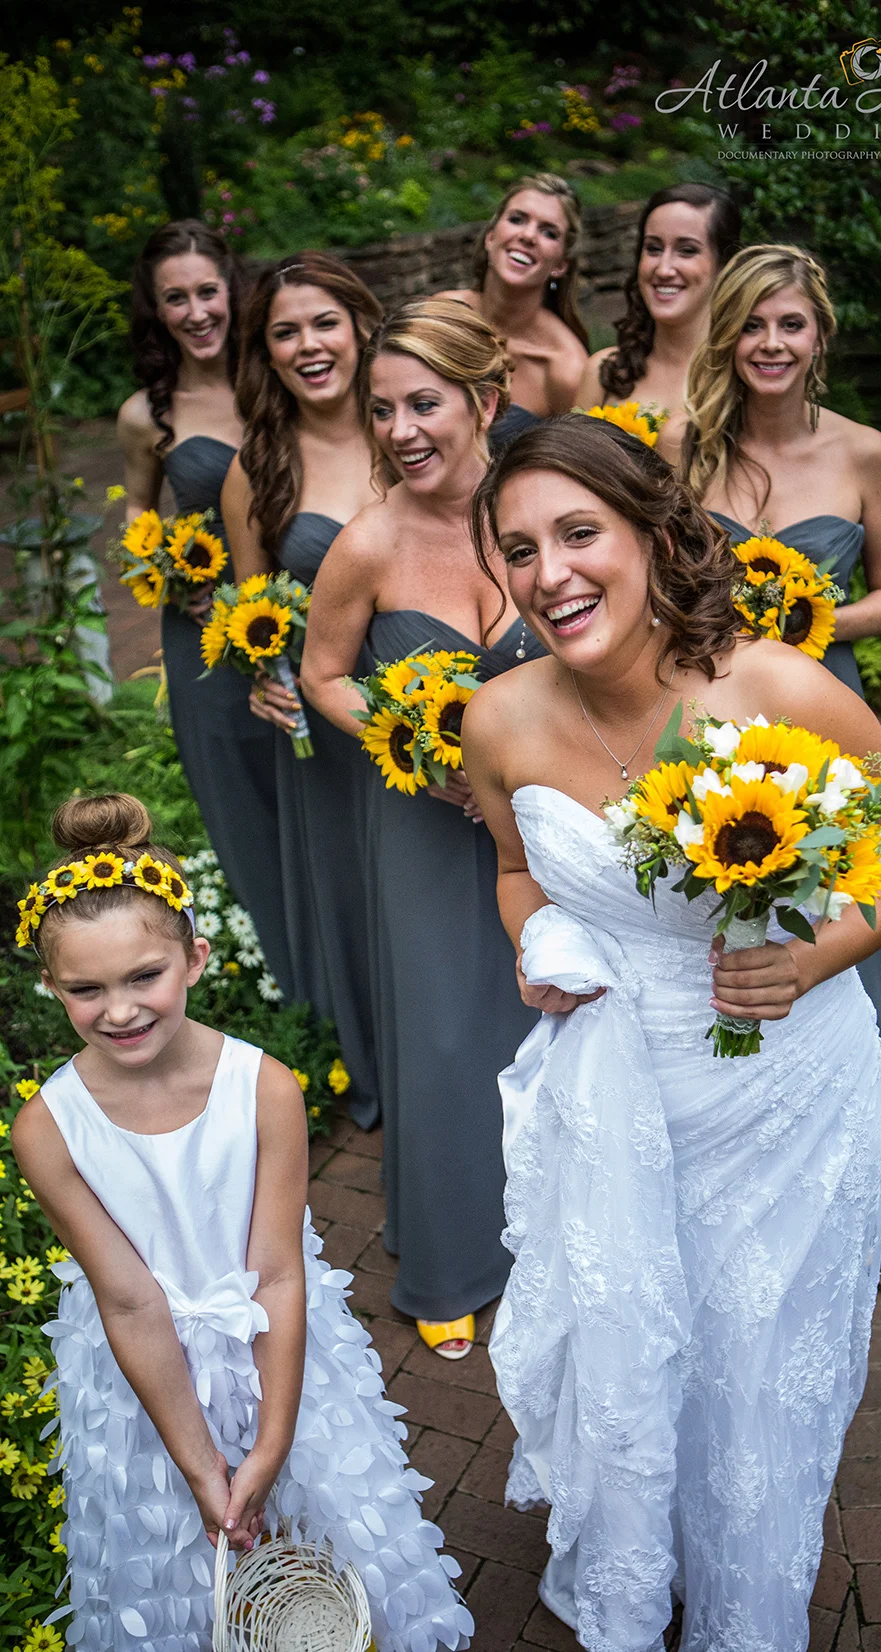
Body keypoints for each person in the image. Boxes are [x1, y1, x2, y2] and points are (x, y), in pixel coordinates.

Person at [461, 416, 881, 1652]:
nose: (550, 572)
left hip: (786, 1093)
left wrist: (808, 957)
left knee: (746, 1367)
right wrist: (536, 941)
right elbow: (516, 869)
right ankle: (639, 1555)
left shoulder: (782, 689)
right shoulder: (496, 721)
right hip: (619, 1094)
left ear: (656, 534)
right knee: (634, 1352)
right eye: (520, 549)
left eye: (579, 532)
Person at [10, 792, 474, 1652]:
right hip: (147, 1387)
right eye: (85, 990)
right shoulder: (48, 1129)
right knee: (182, 1580)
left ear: (195, 957)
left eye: (143, 976)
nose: (120, 1010)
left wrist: (271, 1442)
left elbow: (280, 1273)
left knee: (330, 1547)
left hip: (277, 1355)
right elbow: (130, 1301)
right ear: (51, 987)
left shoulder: (264, 1089)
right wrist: (199, 1464)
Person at [301, 298, 543, 1360]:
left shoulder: (542, 510)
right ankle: (454, 1254)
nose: (400, 429)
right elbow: (322, 675)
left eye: (424, 404)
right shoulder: (367, 543)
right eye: (383, 408)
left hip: (547, 819)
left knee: (559, 1013)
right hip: (426, 827)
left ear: (485, 401)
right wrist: (412, 742)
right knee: (446, 1034)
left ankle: (562, 1234)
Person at [684, 242, 881, 1245]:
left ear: (819, 335)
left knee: (840, 916)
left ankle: (851, 1200)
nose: (770, 342)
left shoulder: (862, 451)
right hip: (711, 709)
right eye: (751, 323)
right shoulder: (685, 449)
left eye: (790, 323)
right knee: (718, 925)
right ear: (727, 336)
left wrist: (807, 620)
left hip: (828, 710)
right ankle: (739, 1178)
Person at [220, 252, 383, 1127]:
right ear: (267, 353)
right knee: (357, 898)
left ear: (361, 326)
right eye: (286, 332)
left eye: (325, 322)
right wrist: (263, 678)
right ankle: (378, 1062)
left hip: (429, 707)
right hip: (325, 731)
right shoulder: (258, 467)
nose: (309, 345)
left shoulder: (407, 425)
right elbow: (252, 611)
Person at [117, 222, 291, 995]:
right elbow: (137, 510)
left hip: (302, 611)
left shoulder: (280, 374)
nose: (196, 312)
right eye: (175, 298)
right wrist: (162, 566)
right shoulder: (144, 415)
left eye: (207, 291)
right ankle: (293, 989)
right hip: (206, 640)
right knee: (246, 806)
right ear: (156, 311)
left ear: (234, 291)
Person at [574, 183, 740, 466]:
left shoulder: (741, 380)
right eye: (653, 248)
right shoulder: (604, 373)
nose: (663, 269)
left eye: (687, 250)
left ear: (724, 265)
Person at [437, 173, 589, 447]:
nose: (528, 236)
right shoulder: (441, 314)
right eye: (517, 219)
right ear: (491, 237)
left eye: (549, 232)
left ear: (560, 265)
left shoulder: (565, 369)